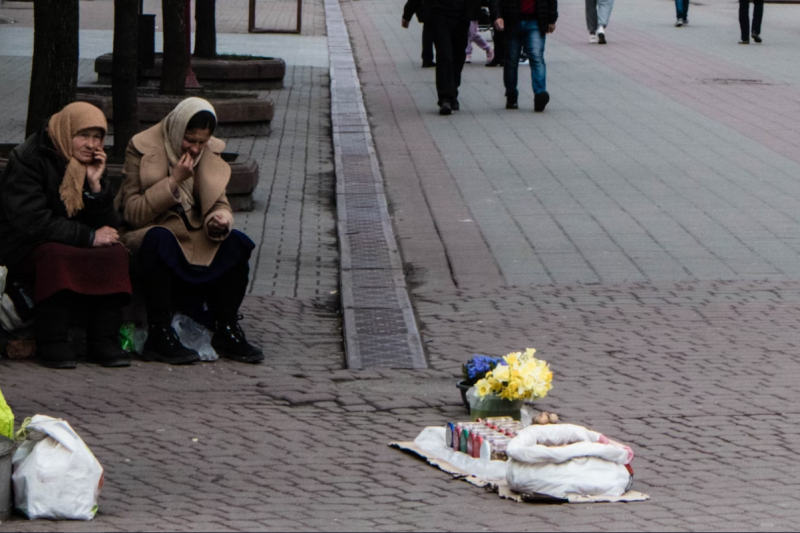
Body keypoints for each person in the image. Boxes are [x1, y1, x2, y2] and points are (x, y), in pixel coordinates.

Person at [116, 97, 264, 365]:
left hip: (194, 234)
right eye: (190, 140)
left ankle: (226, 327)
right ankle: (160, 333)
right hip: (152, 230)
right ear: (177, 130)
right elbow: (132, 212)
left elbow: (219, 203)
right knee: (159, 240)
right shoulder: (141, 147)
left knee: (238, 243)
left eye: (202, 141)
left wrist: (219, 219)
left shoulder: (207, 152)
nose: (195, 148)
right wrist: (173, 181)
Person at [0, 102, 132, 369]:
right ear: (66, 132)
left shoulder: (90, 163)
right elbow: (32, 222)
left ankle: (103, 340)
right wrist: (88, 237)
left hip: (71, 236)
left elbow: (108, 226)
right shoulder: (28, 158)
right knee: (56, 255)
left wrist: (95, 186)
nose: (91, 144)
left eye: (97, 137)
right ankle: (53, 340)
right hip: (24, 243)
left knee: (115, 253)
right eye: (83, 135)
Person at [403, 0, 482, 115]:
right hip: (438, 15)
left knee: (458, 57)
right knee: (444, 56)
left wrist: (496, 14)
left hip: (462, 16)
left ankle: (453, 91)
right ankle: (445, 98)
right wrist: (408, 13)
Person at [491, 0, 558, 112]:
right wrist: (497, 16)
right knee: (511, 60)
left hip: (536, 21)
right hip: (512, 20)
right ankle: (511, 96)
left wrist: (552, 19)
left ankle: (540, 94)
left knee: (536, 56)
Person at [402, 0, 436, 67]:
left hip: (430, 12)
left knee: (428, 30)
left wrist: (406, 16)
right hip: (446, 13)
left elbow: (413, 2)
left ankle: (427, 58)